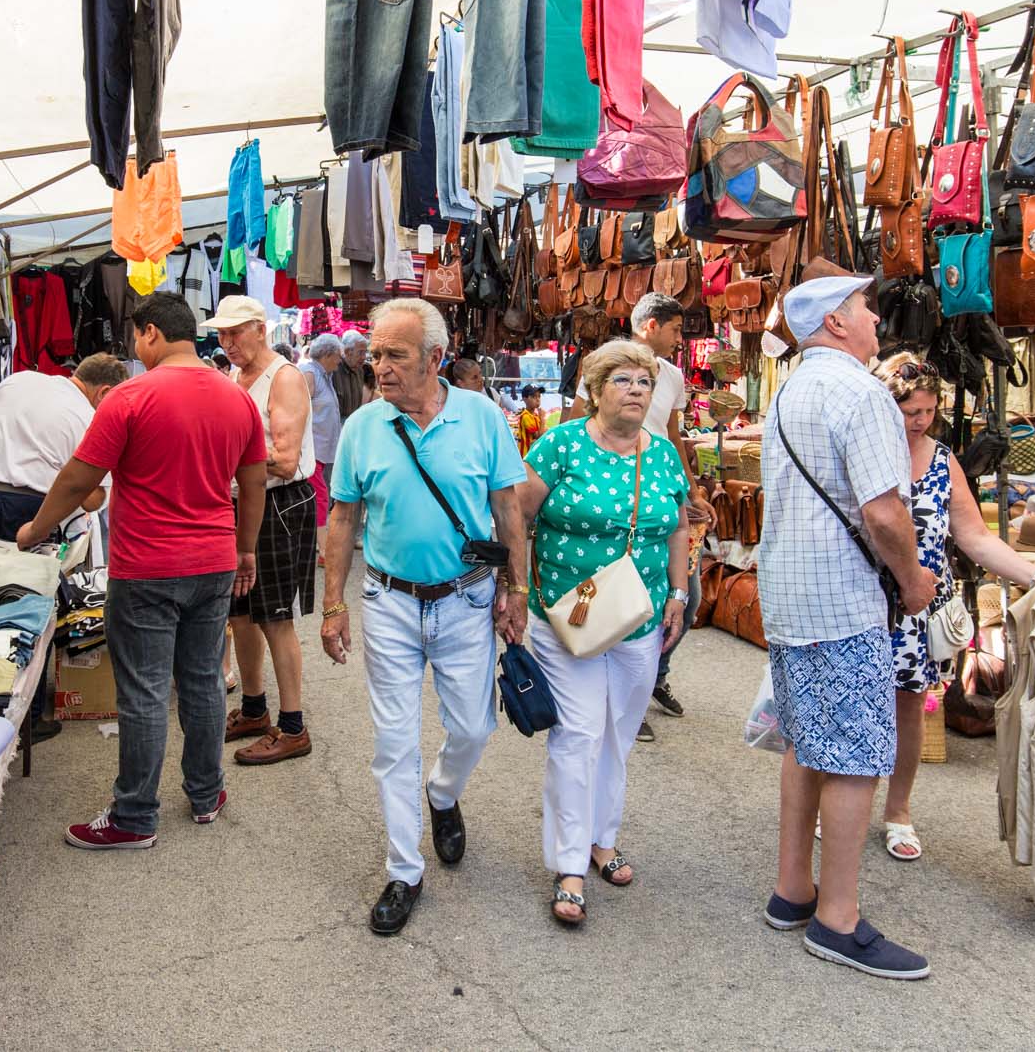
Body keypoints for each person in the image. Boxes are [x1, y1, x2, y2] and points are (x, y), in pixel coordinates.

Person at [18, 294, 267, 850]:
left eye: (135, 338)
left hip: (147, 566)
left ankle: (134, 816)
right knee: (202, 680)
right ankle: (206, 795)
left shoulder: (130, 397)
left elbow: (78, 478)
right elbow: (253, 485)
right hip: (214, 561)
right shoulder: (237, 399)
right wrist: (245, 550)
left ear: (150, 333)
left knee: (146, 691)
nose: (135, 347)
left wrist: (35, 530)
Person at [321, 298, 527, 936]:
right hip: (389, 600)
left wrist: (515, 589)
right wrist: (333, 602)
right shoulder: (363, 427)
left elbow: (507, 510)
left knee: (474, 726)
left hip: (466, 600)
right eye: (375, 353)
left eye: (394, 355)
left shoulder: (483, 418)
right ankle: (403, 869)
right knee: (392, 742)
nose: (378, 367)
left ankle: (443, 792)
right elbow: (343, 519)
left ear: (436, 359)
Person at [755, 275, 935, 980]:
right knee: (857, 754)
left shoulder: (790, 390)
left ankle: (792, 888)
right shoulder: (862, 393)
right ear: (835, 320)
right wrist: (915, 579)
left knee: (805, 742)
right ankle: (838, 918)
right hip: (842, 601)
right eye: (864, 306)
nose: (875, 314)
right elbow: (885, 513)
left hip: (791, 596)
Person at [516, 339, 690, 926]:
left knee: (617, 734)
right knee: (579, 733)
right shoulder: (560, 445)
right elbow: (520, 516)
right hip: (569, 615)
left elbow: (677, 528)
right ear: (594, 390)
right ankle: (568, 864)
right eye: (624, 380)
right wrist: (514, 589)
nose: (637, 390)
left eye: (645, 381)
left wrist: (680, 593)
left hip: (639, 617)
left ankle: (601, 838)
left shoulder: (662, 453)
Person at [872, 353, 1035, 863]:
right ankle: (827, 803)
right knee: (850, 702)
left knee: (908, 710)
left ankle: (898, 811)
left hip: (920, 604)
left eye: (927, 410)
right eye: (909, 411)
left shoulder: (944, 460)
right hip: (863, 596)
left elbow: (974, 538)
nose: (919, 420)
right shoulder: (865, 452)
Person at [575, 293, 711, 740]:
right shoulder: (605, 364)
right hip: (609, 492)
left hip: (656, 492)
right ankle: (622, 696)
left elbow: (673, 437)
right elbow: (576, 421)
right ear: (651, 325)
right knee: (615, 597)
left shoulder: (671, 376)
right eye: (675, 329)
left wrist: (690, 490)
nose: (680, 337)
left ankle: (652, 675)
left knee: (685, 598)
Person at [203, 295, 319, 767]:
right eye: (222, 335)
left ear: (260, 329)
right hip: (243, 500)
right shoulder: (235, 376)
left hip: (279, 503)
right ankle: (254, 707)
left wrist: (219, 462)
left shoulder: (284, 377)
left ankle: (292, 726)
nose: (227, 343)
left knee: (273, 615)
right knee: (240, 612)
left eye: (236, 333)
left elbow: (287, 460)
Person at [0, 354, 126, 542]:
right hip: (29, 507)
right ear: (104, 392)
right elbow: (92, 500)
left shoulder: (18, 379)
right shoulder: (89, 418)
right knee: (21, 571)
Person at [302, 333, 345, 536]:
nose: (340, 360)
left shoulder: (325, 376)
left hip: (321, 450)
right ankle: (322, 547)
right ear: (327, 354)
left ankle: (319, 542)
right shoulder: (310, 374)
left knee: (321, 495)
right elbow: (299, 410)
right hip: (312, 448)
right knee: (320, 496)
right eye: (338, 355)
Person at [333, 329, 373, 419]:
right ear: (347, 352)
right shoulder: (334, 370)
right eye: (360, 352)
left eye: (365, 352)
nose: (364, 357)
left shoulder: (360, 371)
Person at [513, 384, 547, 457]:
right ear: (525, 399)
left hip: (533, 454)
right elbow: (539, 436)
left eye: (539, 396)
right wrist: (543, 419)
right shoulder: (526, 416)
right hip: (527, 456)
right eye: (533, 397)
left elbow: (544, 431)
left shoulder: (535, 415)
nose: (537, 399)